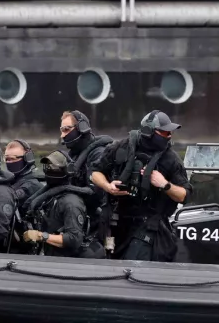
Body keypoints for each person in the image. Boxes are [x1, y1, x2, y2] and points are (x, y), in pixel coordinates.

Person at [91, 110, 192, 262]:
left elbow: (185, 195)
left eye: (170, 132)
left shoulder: (171, 160)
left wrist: (165, 184)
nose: (169, 136)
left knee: (133, 266)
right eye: (164, 133)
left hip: (147, 226)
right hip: (115, 223)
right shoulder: (122, 147)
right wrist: (108, 186)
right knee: (107, 263)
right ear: (148, 131)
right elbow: (95, 172)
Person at [22, 150, 107, 259]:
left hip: (67, 262)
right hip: (51, 255)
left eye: (53, 167)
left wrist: (40, 236)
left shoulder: (71, 202)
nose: (49, 170)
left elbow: (74, 239)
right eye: (47, 167)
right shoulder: (50, 197)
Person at [59, 110, 113, 244]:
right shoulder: (74, 155)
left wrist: (65, 189)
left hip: (99, 223)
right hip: (79, 218)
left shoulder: (98, 153)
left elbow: (95, 193)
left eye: (66, 129)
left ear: (82, 128)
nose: (62, 135)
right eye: (61, 130)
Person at [5, 139, 44, 214]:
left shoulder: (32, 186)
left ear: (28, 159)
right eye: (7, 159)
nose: (9, 162)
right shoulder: (9, 181)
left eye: (12, 158)